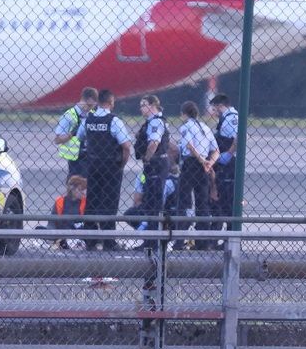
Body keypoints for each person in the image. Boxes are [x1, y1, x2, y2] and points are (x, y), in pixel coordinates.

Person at [74, 89, 132, 251]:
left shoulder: (89, 119)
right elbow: (126, 146)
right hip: (111, 166)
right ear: (111, 103)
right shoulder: (114, 121)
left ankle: (91, 239)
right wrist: (122, 164)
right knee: (110, 202)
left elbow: (80, 137)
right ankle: (108, 241)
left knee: (92, 201)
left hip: (93, 165)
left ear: (99, 102)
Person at [176, 101, 218, 250]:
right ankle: (203, 242)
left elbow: (189, 145)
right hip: (203, 169)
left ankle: (179, 241)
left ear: (184, 114)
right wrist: (208, 163)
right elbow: (216, 150)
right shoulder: (206, 128)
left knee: (184, 203)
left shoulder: (187, 127)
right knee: (203, 204)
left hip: (190, 165)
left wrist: (201, 159)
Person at [201, 94, 239, 250]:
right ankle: (217, 239)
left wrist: (228, 154)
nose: (213, 111)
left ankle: (229, 241)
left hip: (229, 166)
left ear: (219, 106)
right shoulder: (228, 117)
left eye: (214, 108)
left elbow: (237, 138)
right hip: (226, 164)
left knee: (226, 203)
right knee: (221, 203)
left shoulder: (231, 119)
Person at [133, 95, 168, 223]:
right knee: (151, 198)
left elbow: (154, 143)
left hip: (155, 163)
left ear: (153, 106)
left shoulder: (155, 121)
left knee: (154, 201)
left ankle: (154, 238)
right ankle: (151, 237)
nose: (141, 109)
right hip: (155, 164)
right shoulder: (151, 121)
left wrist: (147, 158)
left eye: (143, 105)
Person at [53, 88, 98, 183]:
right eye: (88, 105)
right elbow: (57, 140)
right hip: (76, 160)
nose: (89, 109)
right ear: (82, 99)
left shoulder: (93, 115)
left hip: (91, 157)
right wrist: (72, 133)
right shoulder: (69, 116)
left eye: (92, 106)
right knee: (75, 187)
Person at [49, 175, 88, 250]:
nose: (83, 192)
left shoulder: (85, 202)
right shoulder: (59, 202)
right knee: (39, 229)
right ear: (73, 190)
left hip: (80, 232)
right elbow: (52, 222)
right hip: (62, 232)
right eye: (80, 189)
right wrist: (51, 235)